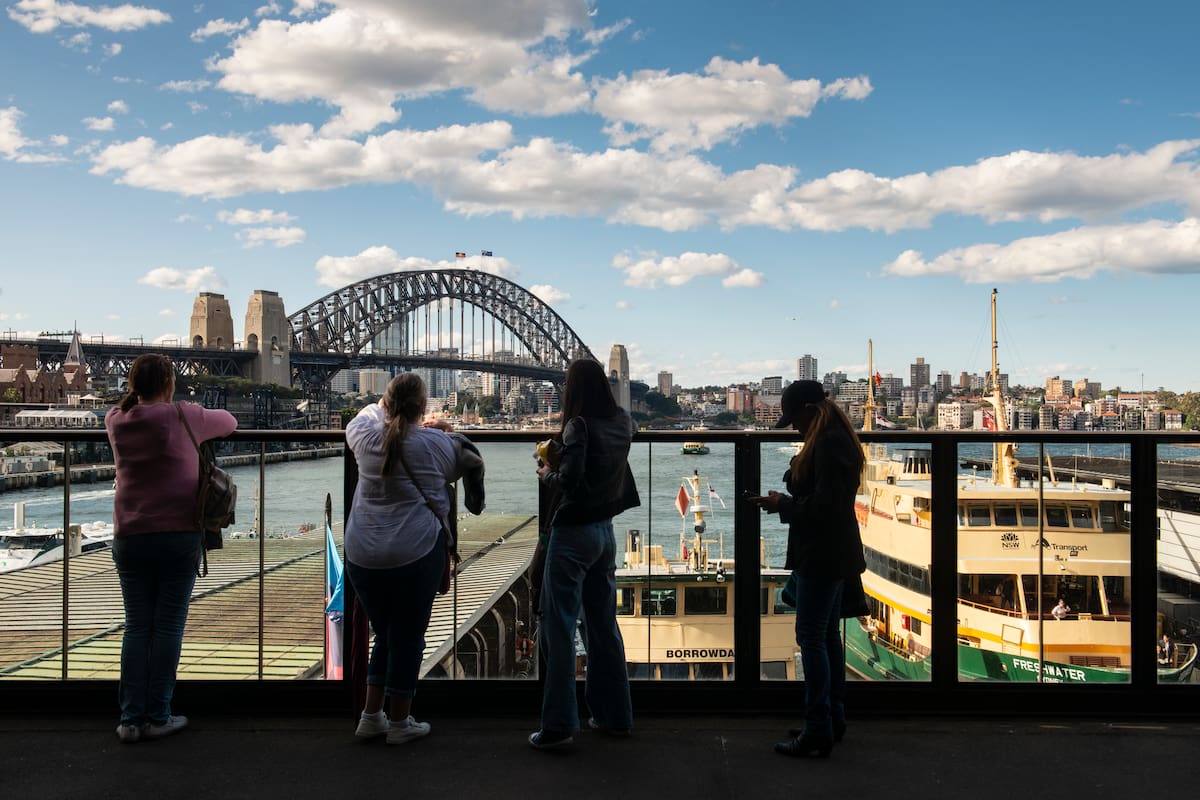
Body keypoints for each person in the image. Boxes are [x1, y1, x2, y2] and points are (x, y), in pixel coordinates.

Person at [105, 353, 237, 743]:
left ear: (132, 384)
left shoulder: (115, 419)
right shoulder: (184, 415)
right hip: (178, 534)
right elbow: (229, 422)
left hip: (128, 535)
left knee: (137, 627)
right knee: (166, 627)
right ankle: (158, 715)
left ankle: (130, 720)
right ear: (169, 384)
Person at [345, 373, 476, 745]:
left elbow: (366, 414)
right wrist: (437, 429)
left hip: (362, 556)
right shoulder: (436, 444)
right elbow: (458, 461)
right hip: (414, 553)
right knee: (408, 637)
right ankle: (400, 722)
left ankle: (371, 716)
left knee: (386, 634)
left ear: (385, 405)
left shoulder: (363, 434)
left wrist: (389, 411)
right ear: (423, 408)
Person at [747, 380, 865, 758]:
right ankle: (832, 719)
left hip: (822, 553)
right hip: (833, 551)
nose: (794, 426)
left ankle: (818, 729)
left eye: (795, 418)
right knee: (827, 636)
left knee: (811, 638)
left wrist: (782, 504)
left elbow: (823, 509)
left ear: (810, 411)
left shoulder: (829, 444)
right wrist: (784, 502)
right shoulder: (835, 439)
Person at [530, 358, 640, 749]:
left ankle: (559, 725)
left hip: (573, 534)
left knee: (557, 629)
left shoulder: (579, 425)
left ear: (572, 389)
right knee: (603, 626)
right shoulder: (624, 420)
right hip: (605, 533)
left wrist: (546, 471)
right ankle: (615, 716)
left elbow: (571, 482)